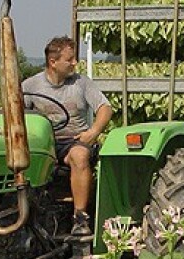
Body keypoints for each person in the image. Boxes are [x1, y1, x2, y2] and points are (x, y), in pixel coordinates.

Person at [22, 36, 113, 235]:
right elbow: (16, 115)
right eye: (70, 59)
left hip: (74, 141)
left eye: (75, 58)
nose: (74, 63)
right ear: (53, 62)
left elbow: (105, 107)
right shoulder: (30, 87)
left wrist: (93, 131)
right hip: (43, 144)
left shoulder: (81, 83)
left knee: (79, 156)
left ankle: (80, 218)